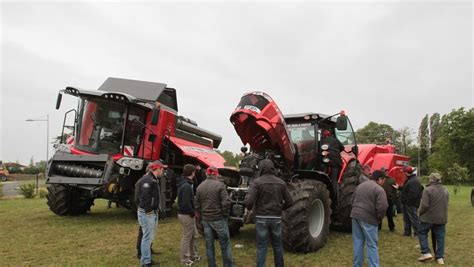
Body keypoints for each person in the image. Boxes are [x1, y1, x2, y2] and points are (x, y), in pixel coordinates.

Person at [244, 159, 293, 267]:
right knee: (278, 245)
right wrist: (280, 208)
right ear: (273, 169)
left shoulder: (256, 182)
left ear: (261, 168)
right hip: (276, 217)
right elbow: (290, 202)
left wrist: (250, 207)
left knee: (262, 247)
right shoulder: (281, 183)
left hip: (261, 217)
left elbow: (248, 202)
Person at [195, 166, 235, 267]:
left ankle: (212, 265)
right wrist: (225, 214)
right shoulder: (220, 185)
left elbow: (197, 205)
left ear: (207, 174)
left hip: (206, 220)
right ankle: (228, 265)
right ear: (216, 174)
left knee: (209, 245)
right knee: (225, 244)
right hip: (219, 219)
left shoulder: (200, 187)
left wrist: (201, 216)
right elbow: (226, 202)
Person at [351, 170, 388, 267]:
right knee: (372, 245)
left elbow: (352, 200)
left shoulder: (359, 186)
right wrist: (379, 219)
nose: (384, 182)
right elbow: (383, 207)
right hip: (369, 218)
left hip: (355, 215)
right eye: (383, 180)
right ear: (379, 179)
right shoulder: (379, 190)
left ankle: (357, 265)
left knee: (358, 242)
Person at [135, 160, 166, 267]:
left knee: (149, 237)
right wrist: (148, 210)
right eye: (162, 169)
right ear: (156, 168)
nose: (163, 171)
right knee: (147, 238)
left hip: (151, 212)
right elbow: (144, 197)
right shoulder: (147, 180)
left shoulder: (153, 179)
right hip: (147, 213)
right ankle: (146, 262)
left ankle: (146, 259)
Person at [417, 173, 449, 264]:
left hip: (428, 218)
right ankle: (440, 258)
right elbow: (446, 203)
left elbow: (425, 205)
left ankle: (426, 252)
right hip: (441, 218)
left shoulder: (427, 190)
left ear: (431, 180)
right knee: (441, 238)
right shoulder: (445, 190)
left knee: (421, 232)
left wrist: (420, 213)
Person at [177, 164, 200, 266]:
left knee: (194, 235)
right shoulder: (186, 186)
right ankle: (185, 258)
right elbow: (186, 203)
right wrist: (193, 213)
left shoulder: (187, 183)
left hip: (188, 214)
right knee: (187, 237)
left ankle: (193, 255)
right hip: (186, 214)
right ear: (192, 172)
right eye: (194, 172)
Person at [320, 129, 345, 197]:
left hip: (324, 163)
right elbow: (342, 148)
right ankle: (334, 196)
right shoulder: (335, 140)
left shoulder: (321, 141)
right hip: (336, 162)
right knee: (334, 180)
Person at [400, 166, 423, 237]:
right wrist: (399, 188)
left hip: (411, 204)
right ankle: (407, 232)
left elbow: (414, 194)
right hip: (407, 203)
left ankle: (418, 233)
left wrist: (408, 202)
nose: (403, 173)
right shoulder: (411, 180)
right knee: (406, 218)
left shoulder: (413, 181)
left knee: (414, 219)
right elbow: (407, 190)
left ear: (407, 173)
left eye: (404, 172)